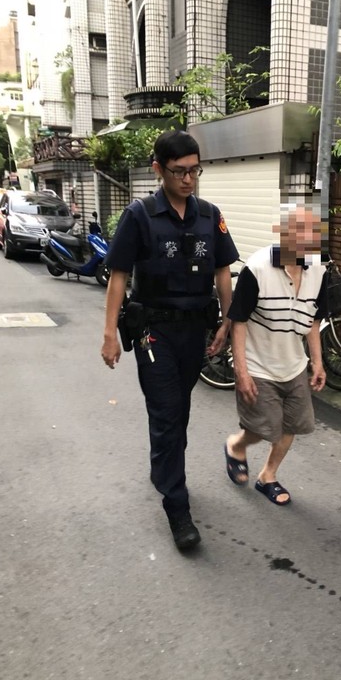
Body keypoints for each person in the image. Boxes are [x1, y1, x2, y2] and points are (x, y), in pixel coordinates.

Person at [101, 130, 239, 550]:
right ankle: (177, 507)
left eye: (195, 170)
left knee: (178, 410)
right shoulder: (140, 215)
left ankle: (163, 468)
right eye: (179, 171)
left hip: (193, 331)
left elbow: (222, 271)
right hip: (152, 332)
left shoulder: (209, 215)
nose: (188, 179)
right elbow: (119, 276)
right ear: (158, 169)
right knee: (166, 411)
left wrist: (228, 322)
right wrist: (109, 334)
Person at [224, 203, 327, 506]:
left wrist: (317, 362)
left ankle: (268, 475)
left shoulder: (319, 271)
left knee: (291, 425)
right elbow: (239, 321)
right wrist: (241, 371)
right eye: (298, 230)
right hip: (258, 365)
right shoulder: (256, 269)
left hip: (294, 366)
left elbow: (314, 321)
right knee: (262, 429)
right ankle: (236, 445)